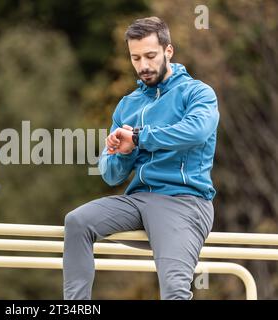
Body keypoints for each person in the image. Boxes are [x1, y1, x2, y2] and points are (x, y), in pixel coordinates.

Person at [63, 16, 219, 300]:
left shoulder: (197, 93)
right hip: (138, 201)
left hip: (184, 202)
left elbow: (196, 132)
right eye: (135, 58)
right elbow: (110, 174)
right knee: (77, 221)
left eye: (150, 55)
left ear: (168, 51)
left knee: (174, 290)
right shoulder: (128, 104)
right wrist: (124, 153)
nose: (143, 66)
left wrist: (139, 137)